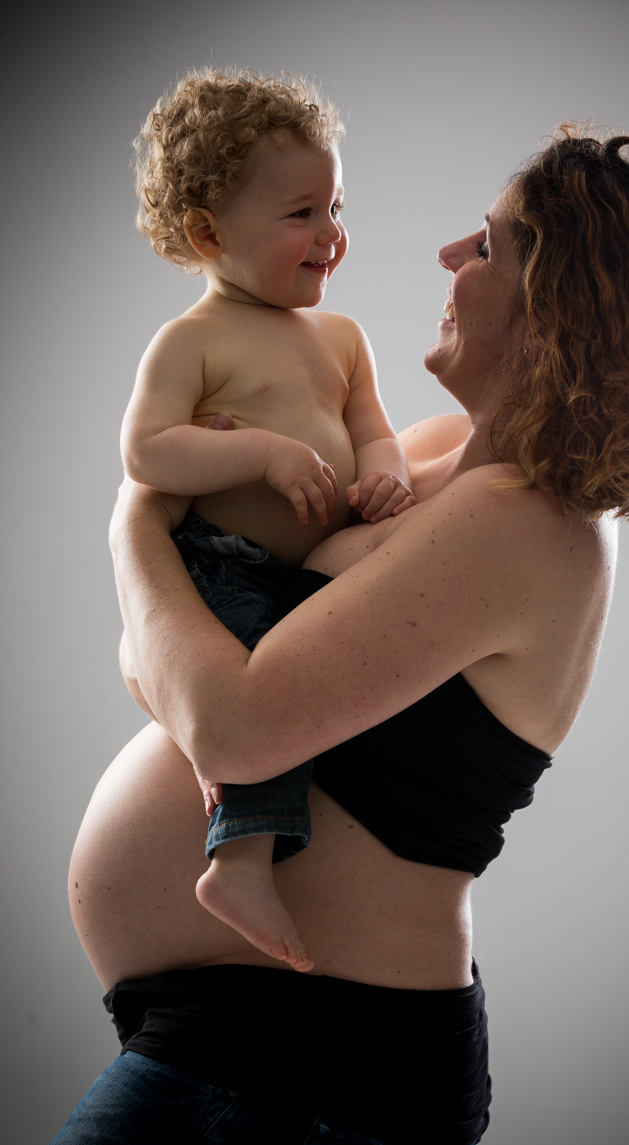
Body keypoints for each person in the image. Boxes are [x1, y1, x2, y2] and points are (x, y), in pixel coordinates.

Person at [0, 126, 629, 1145]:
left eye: (491, 245)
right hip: (276, 1061)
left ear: (558, 310)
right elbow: (174, 663)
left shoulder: (526, 524)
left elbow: (231, 719)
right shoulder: (424, 464)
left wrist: (132, 531)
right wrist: (186, 646)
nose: (447, 254)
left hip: (300, 1070)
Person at [123, 69, 415, 973]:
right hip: (225, 566)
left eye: (337, 207)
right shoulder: (192, 341)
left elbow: (375, 432)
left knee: (313, 696)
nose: (331, 234)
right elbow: (147, 453)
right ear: (209, 234)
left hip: (305, 579)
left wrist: (387, 475)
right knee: (267, 700)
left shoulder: (343, 339)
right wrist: (260, 454)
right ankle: (240, 866)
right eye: (301, 214)